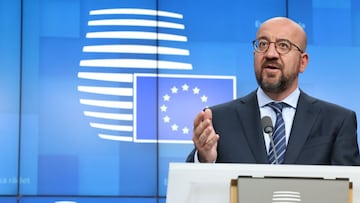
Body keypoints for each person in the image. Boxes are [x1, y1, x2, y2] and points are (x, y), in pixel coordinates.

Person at [186, 16, 360, 165]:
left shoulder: (336, 121)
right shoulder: (219, 119)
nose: (270, 54)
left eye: (283, 45)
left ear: (303, 62)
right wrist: (204, 159)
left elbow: (350, 189)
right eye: (262, 44)